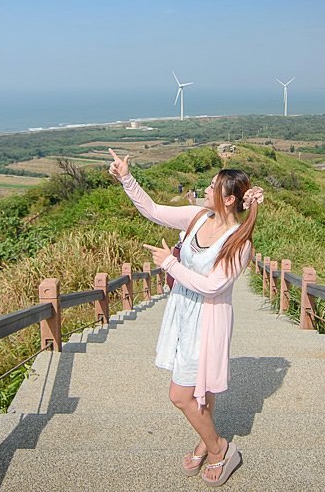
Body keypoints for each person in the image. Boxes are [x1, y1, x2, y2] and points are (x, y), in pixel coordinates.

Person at [107, 148, 262, 487]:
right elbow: (152, 210)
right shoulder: (196, 217)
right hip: (181, 311)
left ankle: (220, 448)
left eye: (212, 187)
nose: (205, 190)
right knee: (200, 390)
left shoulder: (238, 242)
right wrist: (126, 178)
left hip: (207, 321)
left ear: (230, 199)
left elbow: (213, 286)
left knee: (180, 395)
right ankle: (206, 439)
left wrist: (170, 263)